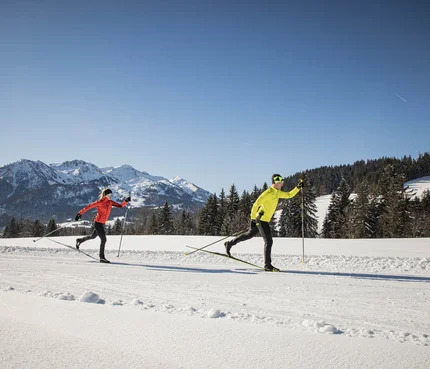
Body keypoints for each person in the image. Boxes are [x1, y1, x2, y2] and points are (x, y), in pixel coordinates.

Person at [225, 174, 304, 272]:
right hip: (260, 219)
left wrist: (298, 187)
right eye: (281, 182)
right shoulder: (268, 192)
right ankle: (267, 265)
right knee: (269, 241)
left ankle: (229, 244)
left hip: (264, 220)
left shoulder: (277, 193)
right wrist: (253, 219)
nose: (282, 184)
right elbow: (255, 204)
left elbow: (289, 195)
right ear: (275, 182)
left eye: (282, 182)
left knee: (249, 235)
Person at [74, 188, 131, 263]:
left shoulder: (110, 202)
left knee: (93, 236)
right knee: (103, 239)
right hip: (97, 223)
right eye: (109, 195)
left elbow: (120, 206)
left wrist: (125, 201)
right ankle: (102, 257)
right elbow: (88, 207)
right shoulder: (99, 202)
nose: (111, 196)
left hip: (102, 223)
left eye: (111, 195)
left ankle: (79, 240)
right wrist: (79, 214)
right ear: (105, 195)